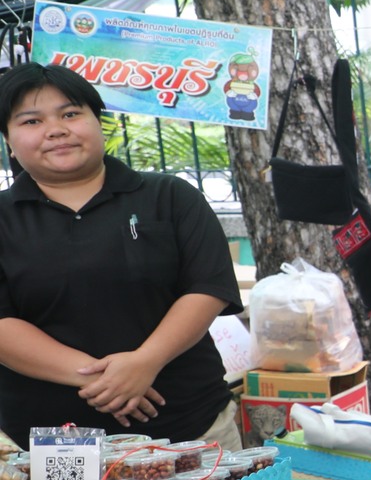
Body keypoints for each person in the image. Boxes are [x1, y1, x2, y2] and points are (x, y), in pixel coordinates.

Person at [0, 62, 244, 447]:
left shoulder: (170, 197)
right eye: (31, 121)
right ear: (9, 142)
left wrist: (145, 362)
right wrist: (105, 379)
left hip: (192, 429)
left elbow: (206, 289)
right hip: (47, 447)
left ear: (98, 122)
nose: (56, 130)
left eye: (70, 113)